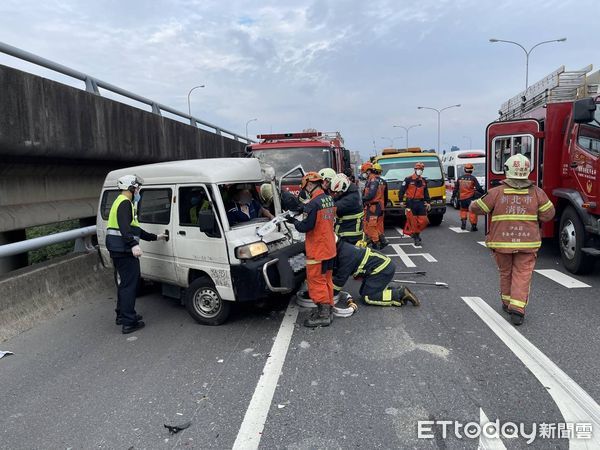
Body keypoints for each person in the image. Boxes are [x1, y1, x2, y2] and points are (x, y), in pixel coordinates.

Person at [470, 154, 555, 326]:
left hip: (501, 243)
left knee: (505, 272)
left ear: (507, 170)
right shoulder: (538, 193)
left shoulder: (496, 192)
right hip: (528, 243)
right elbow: (549, 214)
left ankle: (507, 303)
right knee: (523, 274)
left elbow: (477, 208)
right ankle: (518, 310)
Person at [105, 174, 168, 334]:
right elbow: (125, 228)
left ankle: (122, 315)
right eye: (137, 188)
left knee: (124, 283)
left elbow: (135, 229)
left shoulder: (121, 202)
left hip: (118, 248)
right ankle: (129, 322)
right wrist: (133, 245)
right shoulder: (125, 203)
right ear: (131, 188)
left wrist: (155, 237)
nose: (139, 190)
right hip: (123, 249)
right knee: (129, 285)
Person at [287, 172, 337, 327]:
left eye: (305, 187)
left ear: (309, 185)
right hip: (329, 247)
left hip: (318, 249)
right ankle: (327, 310)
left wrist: (293, 221)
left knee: (316, 281)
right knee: (327, 279)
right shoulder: (329, 199)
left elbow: (305, 227)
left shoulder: (313, 204)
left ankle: (323, 314)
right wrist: (304, 208)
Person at [333, 237, 419, 307]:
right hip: (381, 267)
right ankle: (396, 290)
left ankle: (400, 294)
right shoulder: (344, 248)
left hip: (382, 269)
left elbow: (339, 280)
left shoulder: (345, 256)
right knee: (363, 292)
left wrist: (327, 295)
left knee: (368, 297)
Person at [399, 162, 431, 247]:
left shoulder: (423, 181)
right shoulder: (408, 179)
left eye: (421, 169)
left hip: (420, 203)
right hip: (410, 203)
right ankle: (416, 237)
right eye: (418, 169)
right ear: (415, 169)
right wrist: (401, 200)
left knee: (424, 221)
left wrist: (428, 202)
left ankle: (414, 233)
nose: (419, 171)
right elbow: (402, 190)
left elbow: (426, 192)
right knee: (413, 222)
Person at [330, 173, 364, 245]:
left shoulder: (351, 198)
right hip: (349, 231)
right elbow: (337, 197)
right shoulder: (351, 191)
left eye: (338, 192)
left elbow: (335, 208)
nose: (336, 194)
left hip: (350, 235)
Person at [451, 163, 485, 231]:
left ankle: (463, 222)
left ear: (464, 170)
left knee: (463, 210)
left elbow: (456, 189)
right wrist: (484, 193)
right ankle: (473, 226)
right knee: (472, 211)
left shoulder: (460, 178)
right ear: (471, 170)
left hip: (462, 198)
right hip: (471, 197)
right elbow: (478, 188)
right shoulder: (473, 178)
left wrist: (453, 197)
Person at [361, 162, 387, 249]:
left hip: (374, 206)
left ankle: (376, 243)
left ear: (368, 171)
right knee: (374, 225)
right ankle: (382, 240)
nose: (363, 174)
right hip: (374, 206)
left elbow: (371, 195)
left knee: (371, 226)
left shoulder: (373, 181)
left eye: (363, 172)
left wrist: (362, 199)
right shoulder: (371, 180)